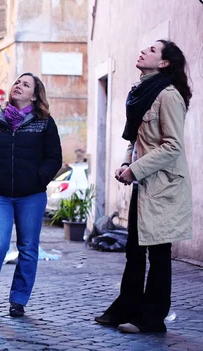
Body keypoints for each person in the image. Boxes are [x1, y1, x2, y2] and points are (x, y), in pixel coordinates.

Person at [95, 40, 193, 334]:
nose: (143, 51)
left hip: (164, 186)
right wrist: (128, 165)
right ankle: (126, 308)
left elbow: (172, 146)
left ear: (164, 63)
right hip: (143, 183)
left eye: (152, 50)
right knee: (134, 251)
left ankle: (152, 318)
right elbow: (135, 140)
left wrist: (135, 169)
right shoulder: (140, 93)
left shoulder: (169, 96)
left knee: (158, 253)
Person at [0, 73, 62, 318]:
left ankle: (18, 301)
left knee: (28, 248)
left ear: (35, 94)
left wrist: (37, 178)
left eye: (26, 84)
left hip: (31, 196)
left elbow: (54, 158)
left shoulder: (44, 122)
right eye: (17, 82)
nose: (19, 86)